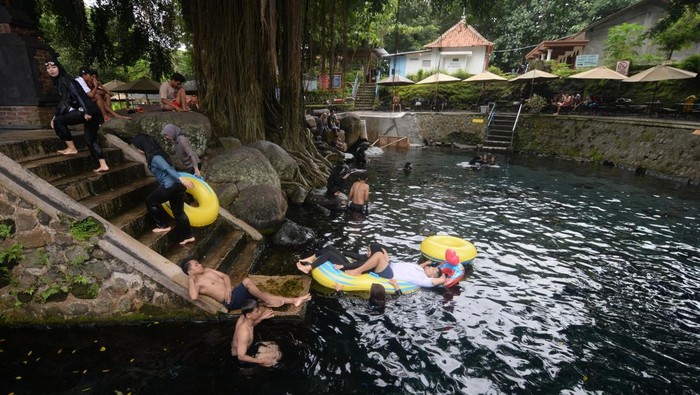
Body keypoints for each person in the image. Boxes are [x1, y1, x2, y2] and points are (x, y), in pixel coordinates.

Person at [45, 59, 109, 173]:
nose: (51, 70)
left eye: (54, 67)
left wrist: (85, 111)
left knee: (59, 122)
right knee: (91, 139)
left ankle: (71, 148)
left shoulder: (65, 79)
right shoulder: (61, 81)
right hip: (94, 110)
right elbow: (64, 101)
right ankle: (103, 164)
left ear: (59, 67)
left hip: (87, 110)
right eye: (48, 68)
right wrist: (55, 115)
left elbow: (77, 95)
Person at [131, 134, 195, 245]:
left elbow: (167, 169)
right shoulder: (161, 154)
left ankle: (163, 225)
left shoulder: (155, 157)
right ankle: (188, 236)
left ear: (142, 145)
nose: (137, 149)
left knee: (151, 202)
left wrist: (182, 179)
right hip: (178, 186)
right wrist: (181, 181)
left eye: (137, 146)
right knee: (179, 213)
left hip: (170, 186)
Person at [182, 258, 311, 310]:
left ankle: (294, 300)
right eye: (196, 265)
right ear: (190, 271)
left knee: (261, 293)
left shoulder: (208, 270)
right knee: (248, 282)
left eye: (199, 262)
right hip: (230, 301)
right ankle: (267, 301)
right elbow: (193, 297)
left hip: (234, 292)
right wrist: (190, 279)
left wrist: (227, 287)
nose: (200, 265)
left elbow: (225, 276)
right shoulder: (196, 283)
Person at [231, 299, 281, 367]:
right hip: (241, 358)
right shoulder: (244, 332)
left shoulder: (244, 318)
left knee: (275, 346)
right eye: (257, 311)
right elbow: (241, 356)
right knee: (276, 356)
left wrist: (262, 317)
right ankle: (248, 371)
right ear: (248, 315)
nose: (260, 312)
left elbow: (252, 324)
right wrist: (263, 361)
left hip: (247, 348)